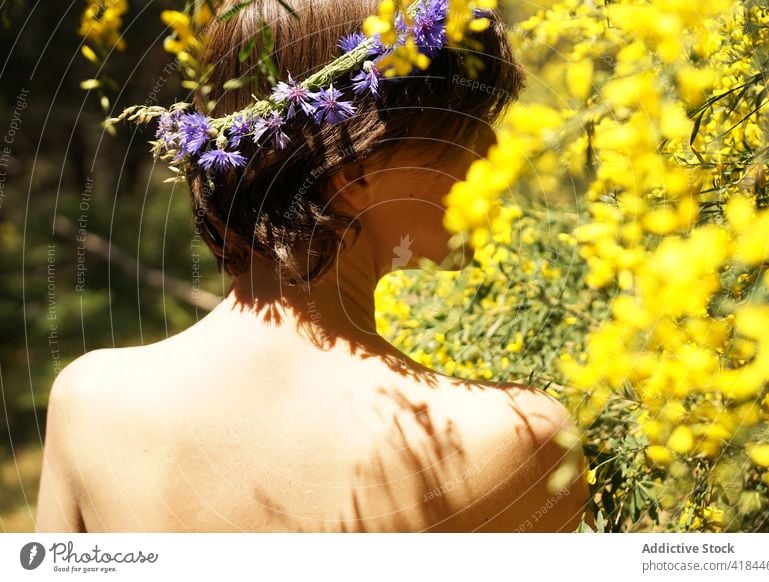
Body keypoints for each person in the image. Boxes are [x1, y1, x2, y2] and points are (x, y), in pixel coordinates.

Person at [35, 0, 589, 532]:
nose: (498, 157)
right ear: (353, 168)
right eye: (468, 128)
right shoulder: (513, 439)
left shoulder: (90, 403)